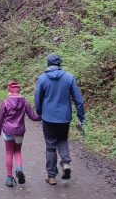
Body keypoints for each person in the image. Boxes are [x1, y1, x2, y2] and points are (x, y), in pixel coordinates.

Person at [35, 53, 85, 185]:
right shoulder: (69, 77)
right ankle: (66, 163)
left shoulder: (42, 78)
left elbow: (37, 99)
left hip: (48, 117)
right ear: (59, 64)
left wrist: (40, 112)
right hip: (64, 117)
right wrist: (81, 116)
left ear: (48, 63)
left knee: (50, 145)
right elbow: (78, 100)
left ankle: (51, 176)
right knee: (62, 140)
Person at [0, 80, 41, 187]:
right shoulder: (24, 102)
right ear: (18, 90)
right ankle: (19, 170)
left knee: (9, 153)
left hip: (8, 132)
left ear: (9, 90)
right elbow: (33, 117)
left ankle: (9, 179)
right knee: (17, 151)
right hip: (20, 132)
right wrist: (44, 115)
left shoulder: (5, 102)